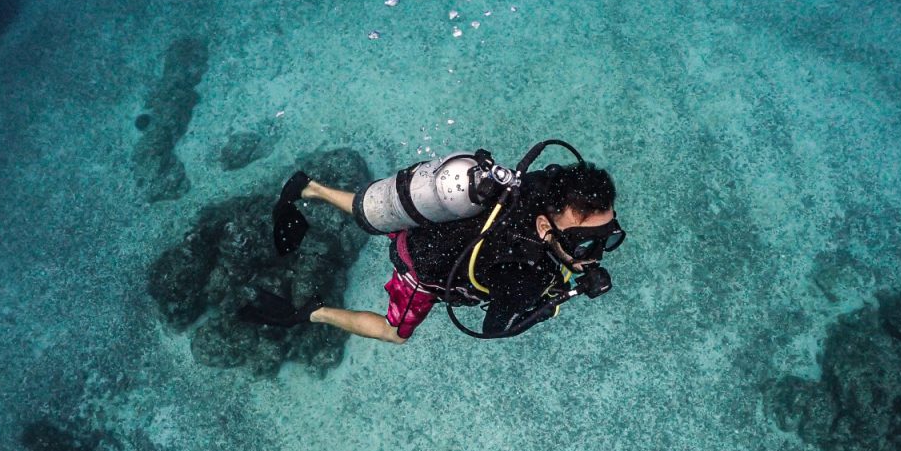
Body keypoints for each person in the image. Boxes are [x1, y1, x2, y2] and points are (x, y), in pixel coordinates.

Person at [240, 147, 624, 343]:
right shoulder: (524, 276)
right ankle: (313, 312)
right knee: (395, 334)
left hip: (425, 219)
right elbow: (495, 328)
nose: (594, 254)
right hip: (421, 268)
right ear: (544, 226)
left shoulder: (543, 187)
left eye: (607, 238)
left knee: (369, 212)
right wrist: (562, 297)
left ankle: (311, 188)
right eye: (585, 241)